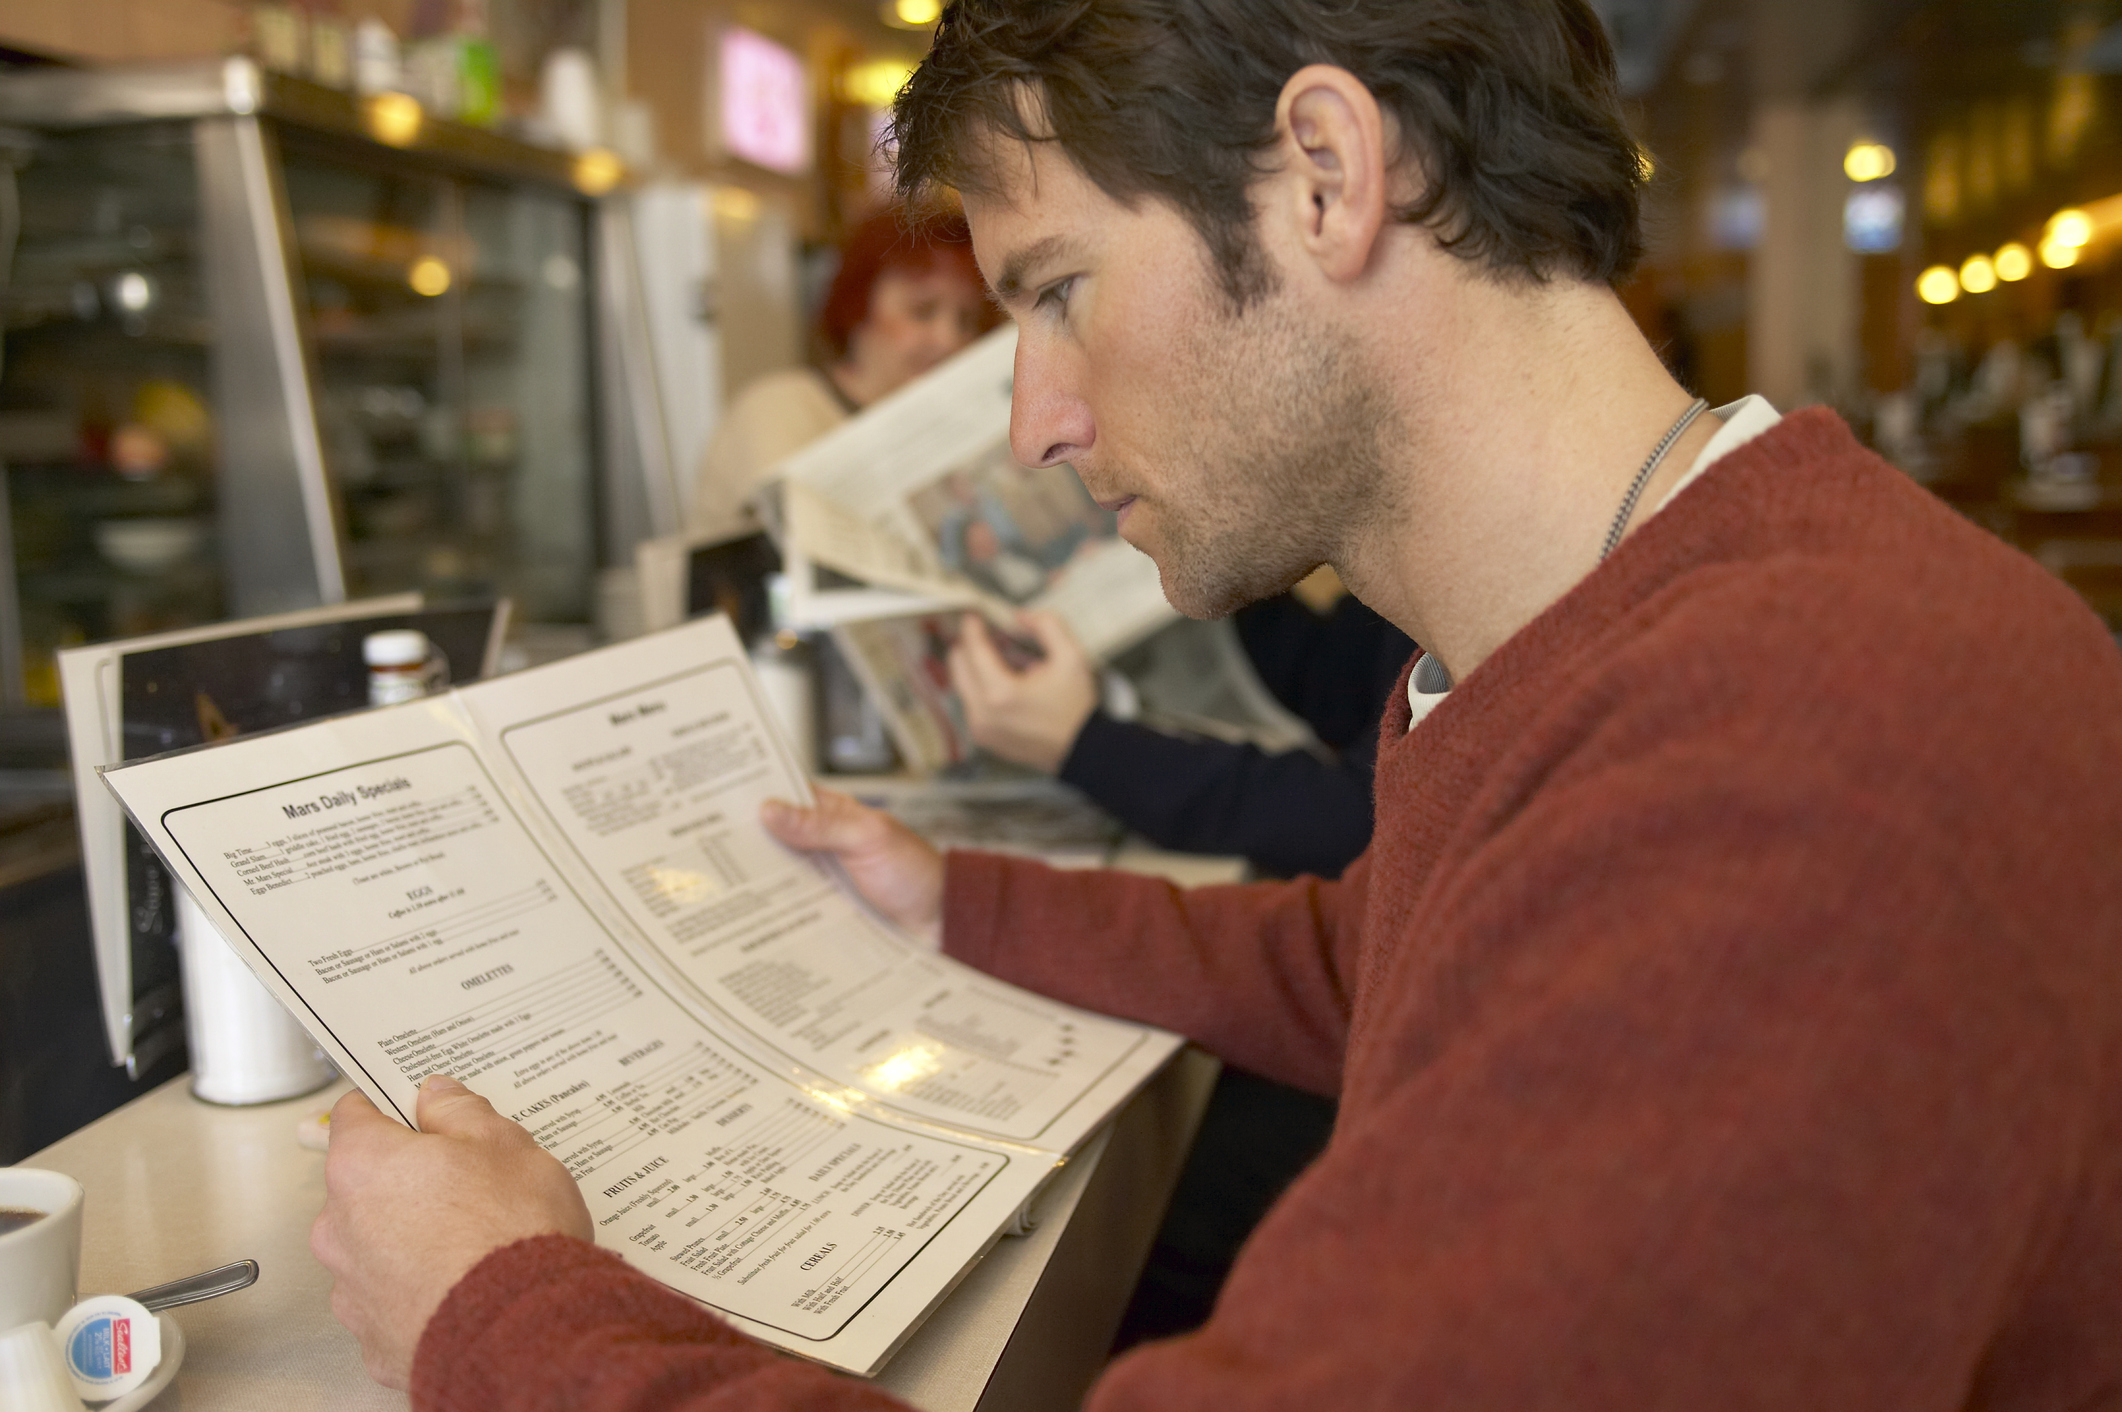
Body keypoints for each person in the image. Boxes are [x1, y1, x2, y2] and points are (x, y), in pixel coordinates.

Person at [314, 3, 2122, 1410]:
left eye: (1062, 292)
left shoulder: (1798, 774)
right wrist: (956, 904)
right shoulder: (1634, 621)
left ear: (1325, 175)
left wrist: (501, 1314)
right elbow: (1383, 956)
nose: (1031, 416)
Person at [686, 205, 993, 540]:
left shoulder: (952, 428)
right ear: (857, 307)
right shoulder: (777, 410)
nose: (949, 340)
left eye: (967, 321)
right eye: (922, 311)